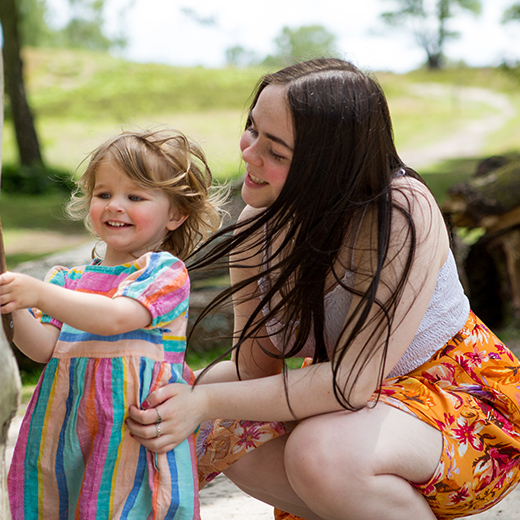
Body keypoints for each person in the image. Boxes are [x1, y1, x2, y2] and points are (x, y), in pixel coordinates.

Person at [126, 59, 520, 520]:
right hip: (348, 413)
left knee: (318, 451)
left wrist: (203, 401)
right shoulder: (257, 229)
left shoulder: (397, 211)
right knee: (220, 408)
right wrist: (168, 394)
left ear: (330, 164)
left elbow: (351, 383)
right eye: (252, 129)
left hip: (458, 402)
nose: (249, 154)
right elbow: (252, 371)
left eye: (276, 152)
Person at [1, 128, 222, 519]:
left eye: (135, 197)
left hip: (130, 439)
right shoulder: (68, 281)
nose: (115, 206)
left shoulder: (164, 273)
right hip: (68, 436)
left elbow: (117, 317)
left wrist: (39, 294)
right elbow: (42, 348)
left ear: (175, 215)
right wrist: (14, 302)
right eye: (103, 194)